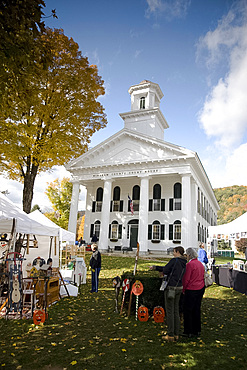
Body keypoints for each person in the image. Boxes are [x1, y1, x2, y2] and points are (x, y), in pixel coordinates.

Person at [150, 246, 187, 342]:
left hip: (171, 288)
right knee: (176, 311)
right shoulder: (184, 263)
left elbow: (166, 270)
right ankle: (176, 333)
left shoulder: (174, 261)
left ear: (178, 252)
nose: (173, 253)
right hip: (179, 287)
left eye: (174, 252)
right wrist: (156, 267)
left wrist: (156, 268)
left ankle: (170, 334)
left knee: (170, 311)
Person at [182, 247, 205, 338]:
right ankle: (197, 329)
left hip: (192, 289)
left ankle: (188, 331)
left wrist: (184, 289)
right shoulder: (200, 264)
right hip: (200, 288)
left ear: (188, 255)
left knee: (188, 310)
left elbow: (186, 279)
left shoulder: (190, 265)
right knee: (196, 309)